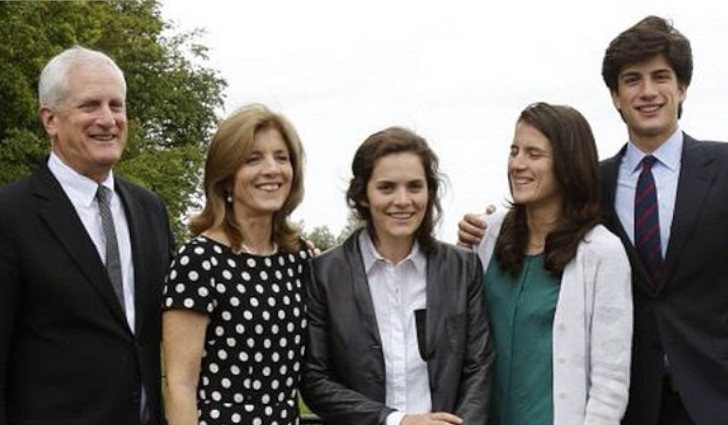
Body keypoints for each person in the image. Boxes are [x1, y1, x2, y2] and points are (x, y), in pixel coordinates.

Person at [460, 16, 728, 425]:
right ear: (615, 95)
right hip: (629, 402)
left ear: (682, 88)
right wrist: (481, 226)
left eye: (660, 77)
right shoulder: (589, 183)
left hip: (725, 398)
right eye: (632, 80)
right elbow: (536, 217)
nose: (647, 92)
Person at [0, 46, 174, 425]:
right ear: (50, 119)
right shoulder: (10, 214)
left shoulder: (150, 210)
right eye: (90, 105)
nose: (108, 119)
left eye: (117, 105)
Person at [301, 127, 494, 425]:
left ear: (429, 192)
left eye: (415, 187)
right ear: (362, 195)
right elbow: (314, 380)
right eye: (387, 187)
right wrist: (396, 421)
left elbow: (479, 365)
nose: (403, 200)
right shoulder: (324, 273)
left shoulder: (462, 268)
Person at [476, 102, 632, 425]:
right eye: (514, 150)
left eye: (534, 154)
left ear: (567, 164)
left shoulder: (602, 252)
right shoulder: (488, 235)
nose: (517, 164)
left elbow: (610, 383)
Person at [162, 104, 311, 425]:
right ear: (226, 177)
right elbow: (180, 385)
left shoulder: (300, 259)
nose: (272, 169)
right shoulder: (199, 261)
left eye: (281, 158)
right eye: (253, 159)